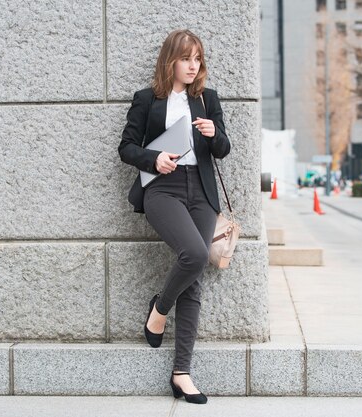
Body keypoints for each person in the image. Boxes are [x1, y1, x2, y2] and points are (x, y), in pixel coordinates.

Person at [117, 29, 230, 405]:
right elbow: (126, 147)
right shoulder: (148, 100)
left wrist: (215, 134)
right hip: (163, 190)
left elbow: (224, 149)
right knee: (194, 256)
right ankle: (159, 310)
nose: (192, 65)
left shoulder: (207, 99)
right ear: (171, 61)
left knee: (193, 279)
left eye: (197, 58)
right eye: (186, 58)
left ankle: (181, 373)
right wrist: (154, 159)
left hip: (200, 191)